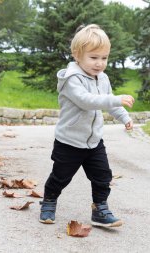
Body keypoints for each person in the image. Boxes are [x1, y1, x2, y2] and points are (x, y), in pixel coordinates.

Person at [39, 24, 134, 228]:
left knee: (102, 176)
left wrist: (124, 117)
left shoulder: (103, 78)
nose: (99, 63)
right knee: (60, 177)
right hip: (69, 141)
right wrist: (116, 100)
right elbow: (87, 101)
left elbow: (107, 101)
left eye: (104, 58)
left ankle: (100, 209)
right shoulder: (71, 79)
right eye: (93, 57)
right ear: (77, 55)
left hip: (93, 141)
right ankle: (49, 201)